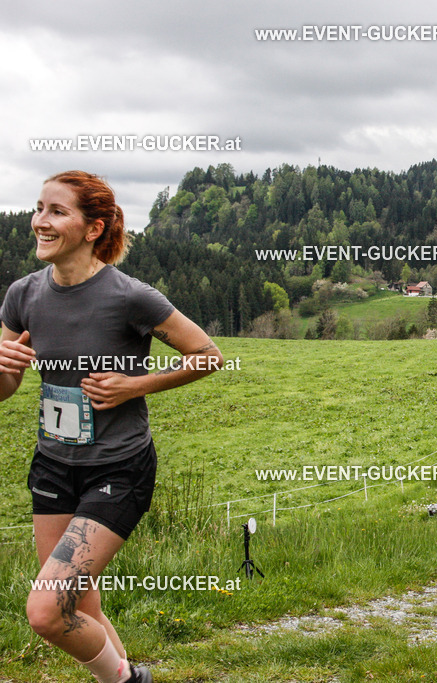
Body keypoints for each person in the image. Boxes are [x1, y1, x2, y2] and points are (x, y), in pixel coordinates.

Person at [0, 171, 224, 683]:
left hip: (118, 469)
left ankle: (128, 679)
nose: (40, 221)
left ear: (93, 228)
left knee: (46, 610)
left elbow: (209, 356)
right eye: (39, 208)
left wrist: (134, 385)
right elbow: (4, 389)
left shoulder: (130, 297)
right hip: (52, 465)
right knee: (80, 605)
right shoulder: (22, 295)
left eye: (57, 212)